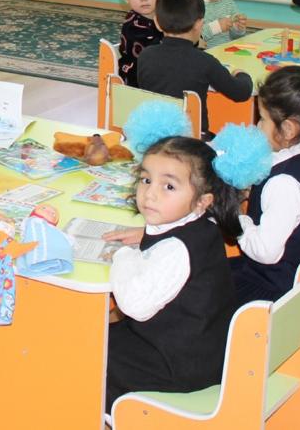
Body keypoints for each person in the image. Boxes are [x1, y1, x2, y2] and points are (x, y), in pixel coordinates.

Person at [102, 136, 248, 412]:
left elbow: (133, 304)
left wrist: (122, 256)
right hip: (202, 353)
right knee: (103, 336)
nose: (150, 194)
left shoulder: (175, 250)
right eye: (146, 180)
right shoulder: (204, 225)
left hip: (175, 368)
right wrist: (145, 236)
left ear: (202, 201)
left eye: (168, 186)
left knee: (89, 350)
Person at [231, 65, 300, 304]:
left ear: (288, 129)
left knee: (195, 286)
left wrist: (236, 217)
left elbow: (265, 252)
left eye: (262, 120)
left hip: (275, 292)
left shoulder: (284, 183)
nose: (257, 126)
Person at [137, 0, 253, 135]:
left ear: (157, 23)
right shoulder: (205, 61)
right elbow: (241, 93)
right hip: (192, 139)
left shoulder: (145, 55)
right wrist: (242, 74)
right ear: (199, 24)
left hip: (153, 135)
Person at [117, 0, 164, 87]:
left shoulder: (164, 15)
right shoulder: (133, 24)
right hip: (136, 79)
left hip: (157, 71)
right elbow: (155, 52)